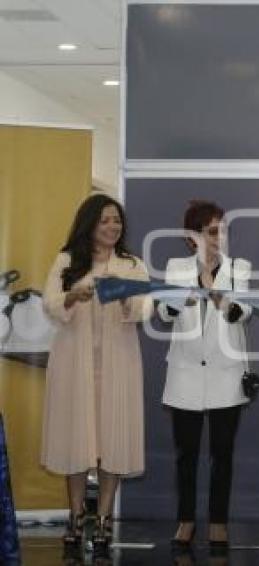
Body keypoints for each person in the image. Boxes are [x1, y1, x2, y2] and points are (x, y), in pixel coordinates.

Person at [41, 193, 152, 559]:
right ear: (89, 223)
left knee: (113, 441)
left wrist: (124, 298)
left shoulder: (132, 263)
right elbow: (50, 303)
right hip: (75, 362)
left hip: (119, 363)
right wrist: (74, 296)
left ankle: (103, 518)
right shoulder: (67, 259)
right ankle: (75, 516)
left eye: (117, 220)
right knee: (76, 440)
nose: (112, 227)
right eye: (105, 220)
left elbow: (145, 307)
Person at [157, 200, 252, 555]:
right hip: (185, 372)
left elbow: (243, 313)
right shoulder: (176, 267)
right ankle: (186, 519)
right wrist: (187, 291)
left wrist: (217, 293)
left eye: (223, 229)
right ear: (191, 236)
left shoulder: (238, 268)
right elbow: (165, 312)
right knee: (187, 454)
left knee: (222, 454)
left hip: (226, 373)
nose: (219, 237)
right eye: (211, 231)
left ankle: (218, 522)